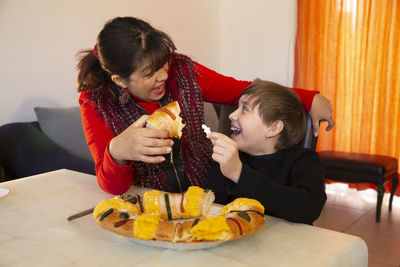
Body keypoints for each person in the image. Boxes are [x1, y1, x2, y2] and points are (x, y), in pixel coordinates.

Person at [76, 16, 334, 196]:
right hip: (148, 205)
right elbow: (112, 186)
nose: (164, 75)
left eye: (163, 63)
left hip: (207, 195)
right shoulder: (95, 102)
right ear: (120, 79)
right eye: (149, 73)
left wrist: (308, 97)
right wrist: (117, 152)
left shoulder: (184, 70)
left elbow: (240, 90)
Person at [204, 80, 326, 224]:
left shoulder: (304, 161)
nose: (232, 115)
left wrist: (239, 174)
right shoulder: (226, 158)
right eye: (237, 107)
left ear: (273, 128)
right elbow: (213, 210)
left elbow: (308, 209)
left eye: (244, 109)